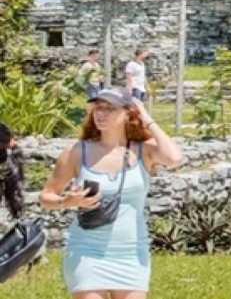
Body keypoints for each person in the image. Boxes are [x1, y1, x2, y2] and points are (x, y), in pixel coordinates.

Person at [39, 87, 183, 298]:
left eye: (110, 108)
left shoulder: (144, 149)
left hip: (132, 252)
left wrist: (147, 118)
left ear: (128, 113)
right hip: (86, 251)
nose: (101, 113)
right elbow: (46, 197)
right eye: (98, 107)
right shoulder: (77, 152)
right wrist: (66, 201)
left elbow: (174, 159)